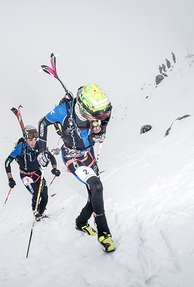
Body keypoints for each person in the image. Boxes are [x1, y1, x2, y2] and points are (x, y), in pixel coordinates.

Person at [37, 83, 116, 252]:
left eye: (104, 113)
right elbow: (43, 123)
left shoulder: (99, 110)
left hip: (89, 153)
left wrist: (103, 130)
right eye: (97, 115)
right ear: (83, 108)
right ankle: (104, 233)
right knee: (96, 186)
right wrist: (42, 150)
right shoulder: (62, 111)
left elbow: (108, 112)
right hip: (72, 156)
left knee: (94, 194)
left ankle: (80, 222)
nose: (101, 117)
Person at [5, 125, 60, 220]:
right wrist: (10, 179)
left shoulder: (39, 145)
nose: (33, 142)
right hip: (25, 175)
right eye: (30, 140)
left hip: (37, 173)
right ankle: (36, 213)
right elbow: (7, 162)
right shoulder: (20, 147)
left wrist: (54, 168)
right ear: (26, 139)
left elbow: (51, 157)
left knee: (45, 195)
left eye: (35, 139)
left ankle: (41, 213)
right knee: (35, 193)